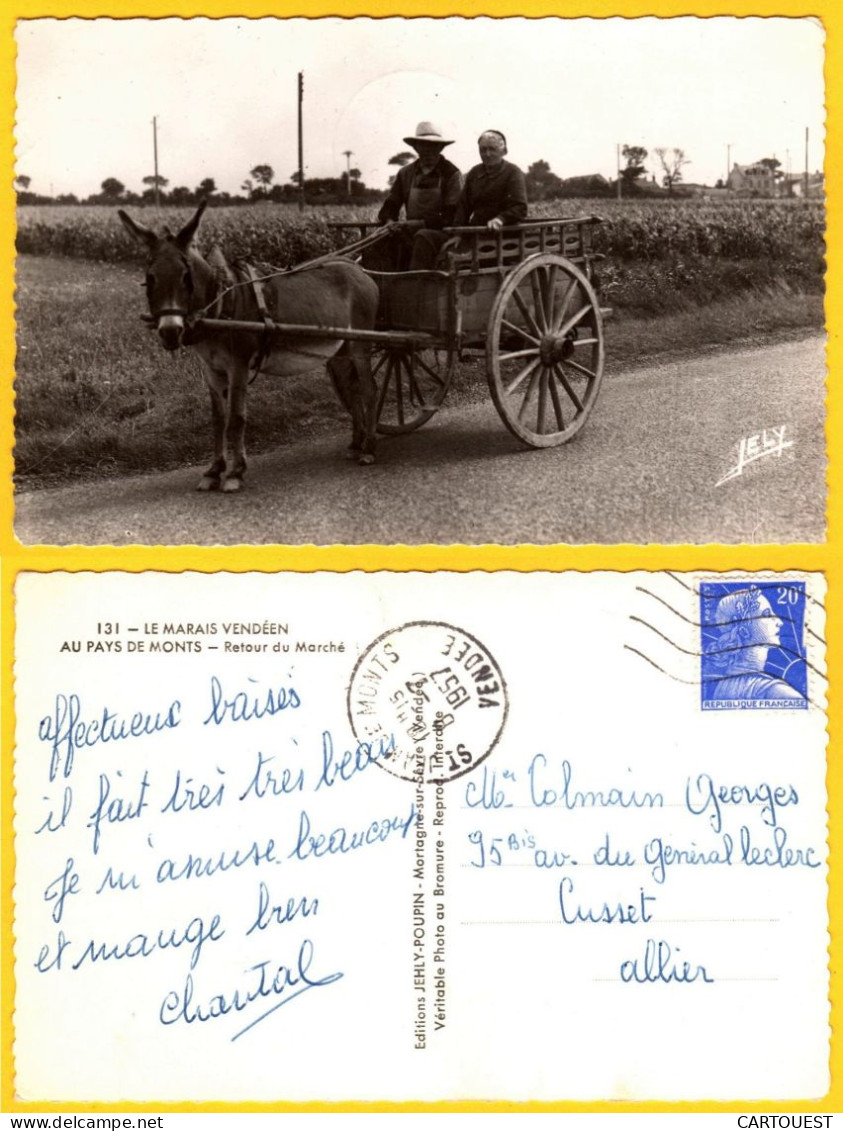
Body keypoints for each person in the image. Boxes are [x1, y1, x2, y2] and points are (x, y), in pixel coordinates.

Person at [363, 121, 462, 272]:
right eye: (423, 145)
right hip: (411, 232)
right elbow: (390, 205)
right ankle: (380, 284)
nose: (428, 150)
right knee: (378, 240)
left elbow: (451, 216)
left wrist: (416, 224)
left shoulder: (451, 174)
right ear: (416, 147)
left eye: (433, 146)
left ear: (440, 148)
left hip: (441, 234)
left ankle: (415, 285)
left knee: (423, 237)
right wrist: (389, 221)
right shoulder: (406, 173)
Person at [704, 586, 804, 702]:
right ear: (744, 632)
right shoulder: (774, 691)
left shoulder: (723, 686)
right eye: (766, 615)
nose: (779, 622)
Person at [453, 129, 528, 232]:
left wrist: (500, 219)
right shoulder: (475, 173)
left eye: (492, 149)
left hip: (506, 234)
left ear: (504, 151)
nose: (487, 154)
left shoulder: (513, 172)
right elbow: (463, 207)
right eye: (483, 150)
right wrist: (458, 234)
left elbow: (520, 207)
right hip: (478, 232)